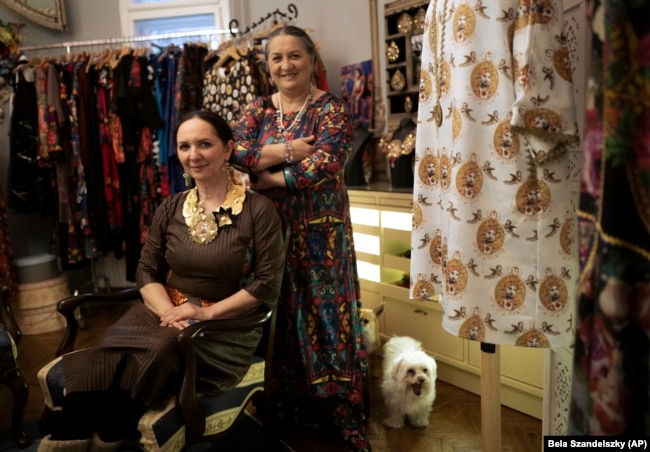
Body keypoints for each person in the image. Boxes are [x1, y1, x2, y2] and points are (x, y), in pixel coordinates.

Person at [38, 110, 286, 452]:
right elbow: (146, 270)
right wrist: (170, 310)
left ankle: (108, 435)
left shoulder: (259, 210)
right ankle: (68, 439)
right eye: (184, 146)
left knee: (162, 348)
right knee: (112, 346)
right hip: (164, 308)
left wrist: (204, 314)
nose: (193, 154)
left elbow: (268, 283)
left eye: (204, 144)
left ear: (228, 149)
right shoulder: (170, 207)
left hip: (224, 325)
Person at [231, 25, 371, 452]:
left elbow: (327, 161)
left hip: (322, 239)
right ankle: (285, 409)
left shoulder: (331, 108)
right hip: (269, 237)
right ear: (267, 66)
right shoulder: (257, 110)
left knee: (329, 321)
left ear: (312, 60)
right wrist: (292, 150)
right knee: (279, 319)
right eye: (277, 58)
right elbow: (236, 152)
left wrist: (267, 175)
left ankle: (343, 416)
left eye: (295, 56)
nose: (285, 65)